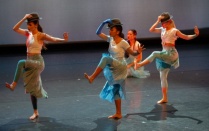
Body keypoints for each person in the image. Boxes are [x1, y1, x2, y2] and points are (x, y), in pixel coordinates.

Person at [5, 13, 69, 120]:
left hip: (38, 62)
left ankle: (13, 85)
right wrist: (24, 18)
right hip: (30, 61)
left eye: (30, 24)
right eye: (27, 24)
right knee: (32, 89)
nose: (28, 26)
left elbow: (53, 38)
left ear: (36, 24)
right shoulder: (28, 33)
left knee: (21, 62)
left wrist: (65, 40)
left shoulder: (40, 35)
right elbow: (14, 28)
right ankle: (36, 112)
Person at [84, 18, 144, 119]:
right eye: (109, 29)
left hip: (120, 66)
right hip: (113, 66)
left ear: (118, 31)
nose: (109, 31)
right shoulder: (110, 39)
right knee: (115, 89)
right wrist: (103, 23)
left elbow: (133, 53)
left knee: (105, 58)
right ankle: (118, 113)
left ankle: (92, 77)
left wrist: (138, 52)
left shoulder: (123, 42)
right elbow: (97, 32)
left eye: (112, 29)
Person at [135, 12, 199, 104]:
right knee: (163, 77)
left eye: (163, 22)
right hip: (164, 54)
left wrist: (195, 35)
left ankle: (140, 64)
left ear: (169, 22)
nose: (162, 24)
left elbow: (186, 37)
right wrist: (157, 21)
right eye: (161, 23)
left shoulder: (174, 31)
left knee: (155, 53)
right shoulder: (162, 29)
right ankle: (165, 98)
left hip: (171, 54)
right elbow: (151, 30)